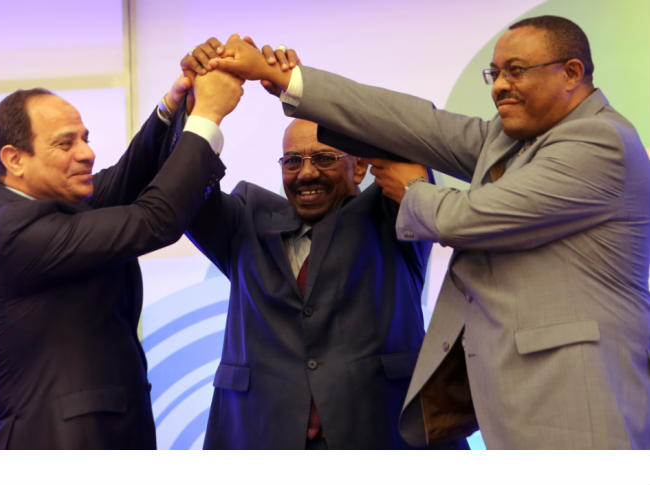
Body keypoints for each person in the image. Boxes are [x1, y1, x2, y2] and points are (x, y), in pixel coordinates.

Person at [204, 15, 650, 449]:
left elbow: (474, 217)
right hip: (515, 400)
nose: (499, 86)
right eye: (494, 73)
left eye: (515, 71)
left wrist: (412, 190)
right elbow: (416, 122)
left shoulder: (600, 140)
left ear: (571, 73)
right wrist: (284, 79)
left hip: (580, 396)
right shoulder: (511, 140)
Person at [181, 41, 467, 449]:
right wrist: (197, 108)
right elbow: (181, 188)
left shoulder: (394, 214)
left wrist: (297, 88)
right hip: (262, 433)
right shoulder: (245, 221)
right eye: (292, 161)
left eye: (325, 158)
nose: (306, 173)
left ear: (360, 166)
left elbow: (406, 136)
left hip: (381, 433)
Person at [0, 66, 244, 449]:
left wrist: (173, 106)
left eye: (85, 138)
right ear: (14, 159)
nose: (87, 153)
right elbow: (154, 221)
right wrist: (207, 117)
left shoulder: (32, 203)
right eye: (65, 144)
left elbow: (123, 180)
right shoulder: (7, 232)